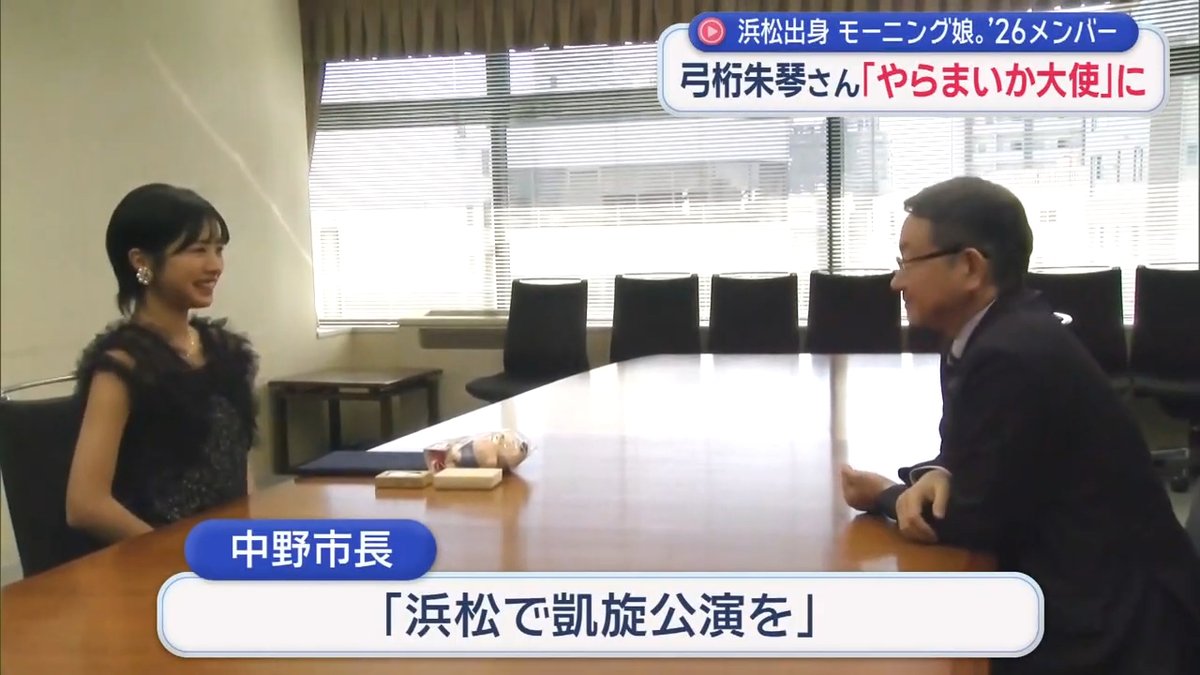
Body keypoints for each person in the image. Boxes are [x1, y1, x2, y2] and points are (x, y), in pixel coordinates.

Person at [839, 176, 1200, 674]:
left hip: (1114, 624)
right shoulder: (988, 332)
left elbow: (974, 517)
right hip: (1088, 579)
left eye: (908, 262)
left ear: (970, 267)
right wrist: (940, 472)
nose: (896, 283)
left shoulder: (1012, 353)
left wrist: (883, 495)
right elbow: (975, 455)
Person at [65, 183, 259, 544]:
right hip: (156, 557)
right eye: (197, 250)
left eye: (218, 250)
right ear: (141, 261)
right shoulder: (123, 365)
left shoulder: (225, 351)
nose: (215, 266)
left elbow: (237, 465)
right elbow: (85, 504)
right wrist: (178, 553)